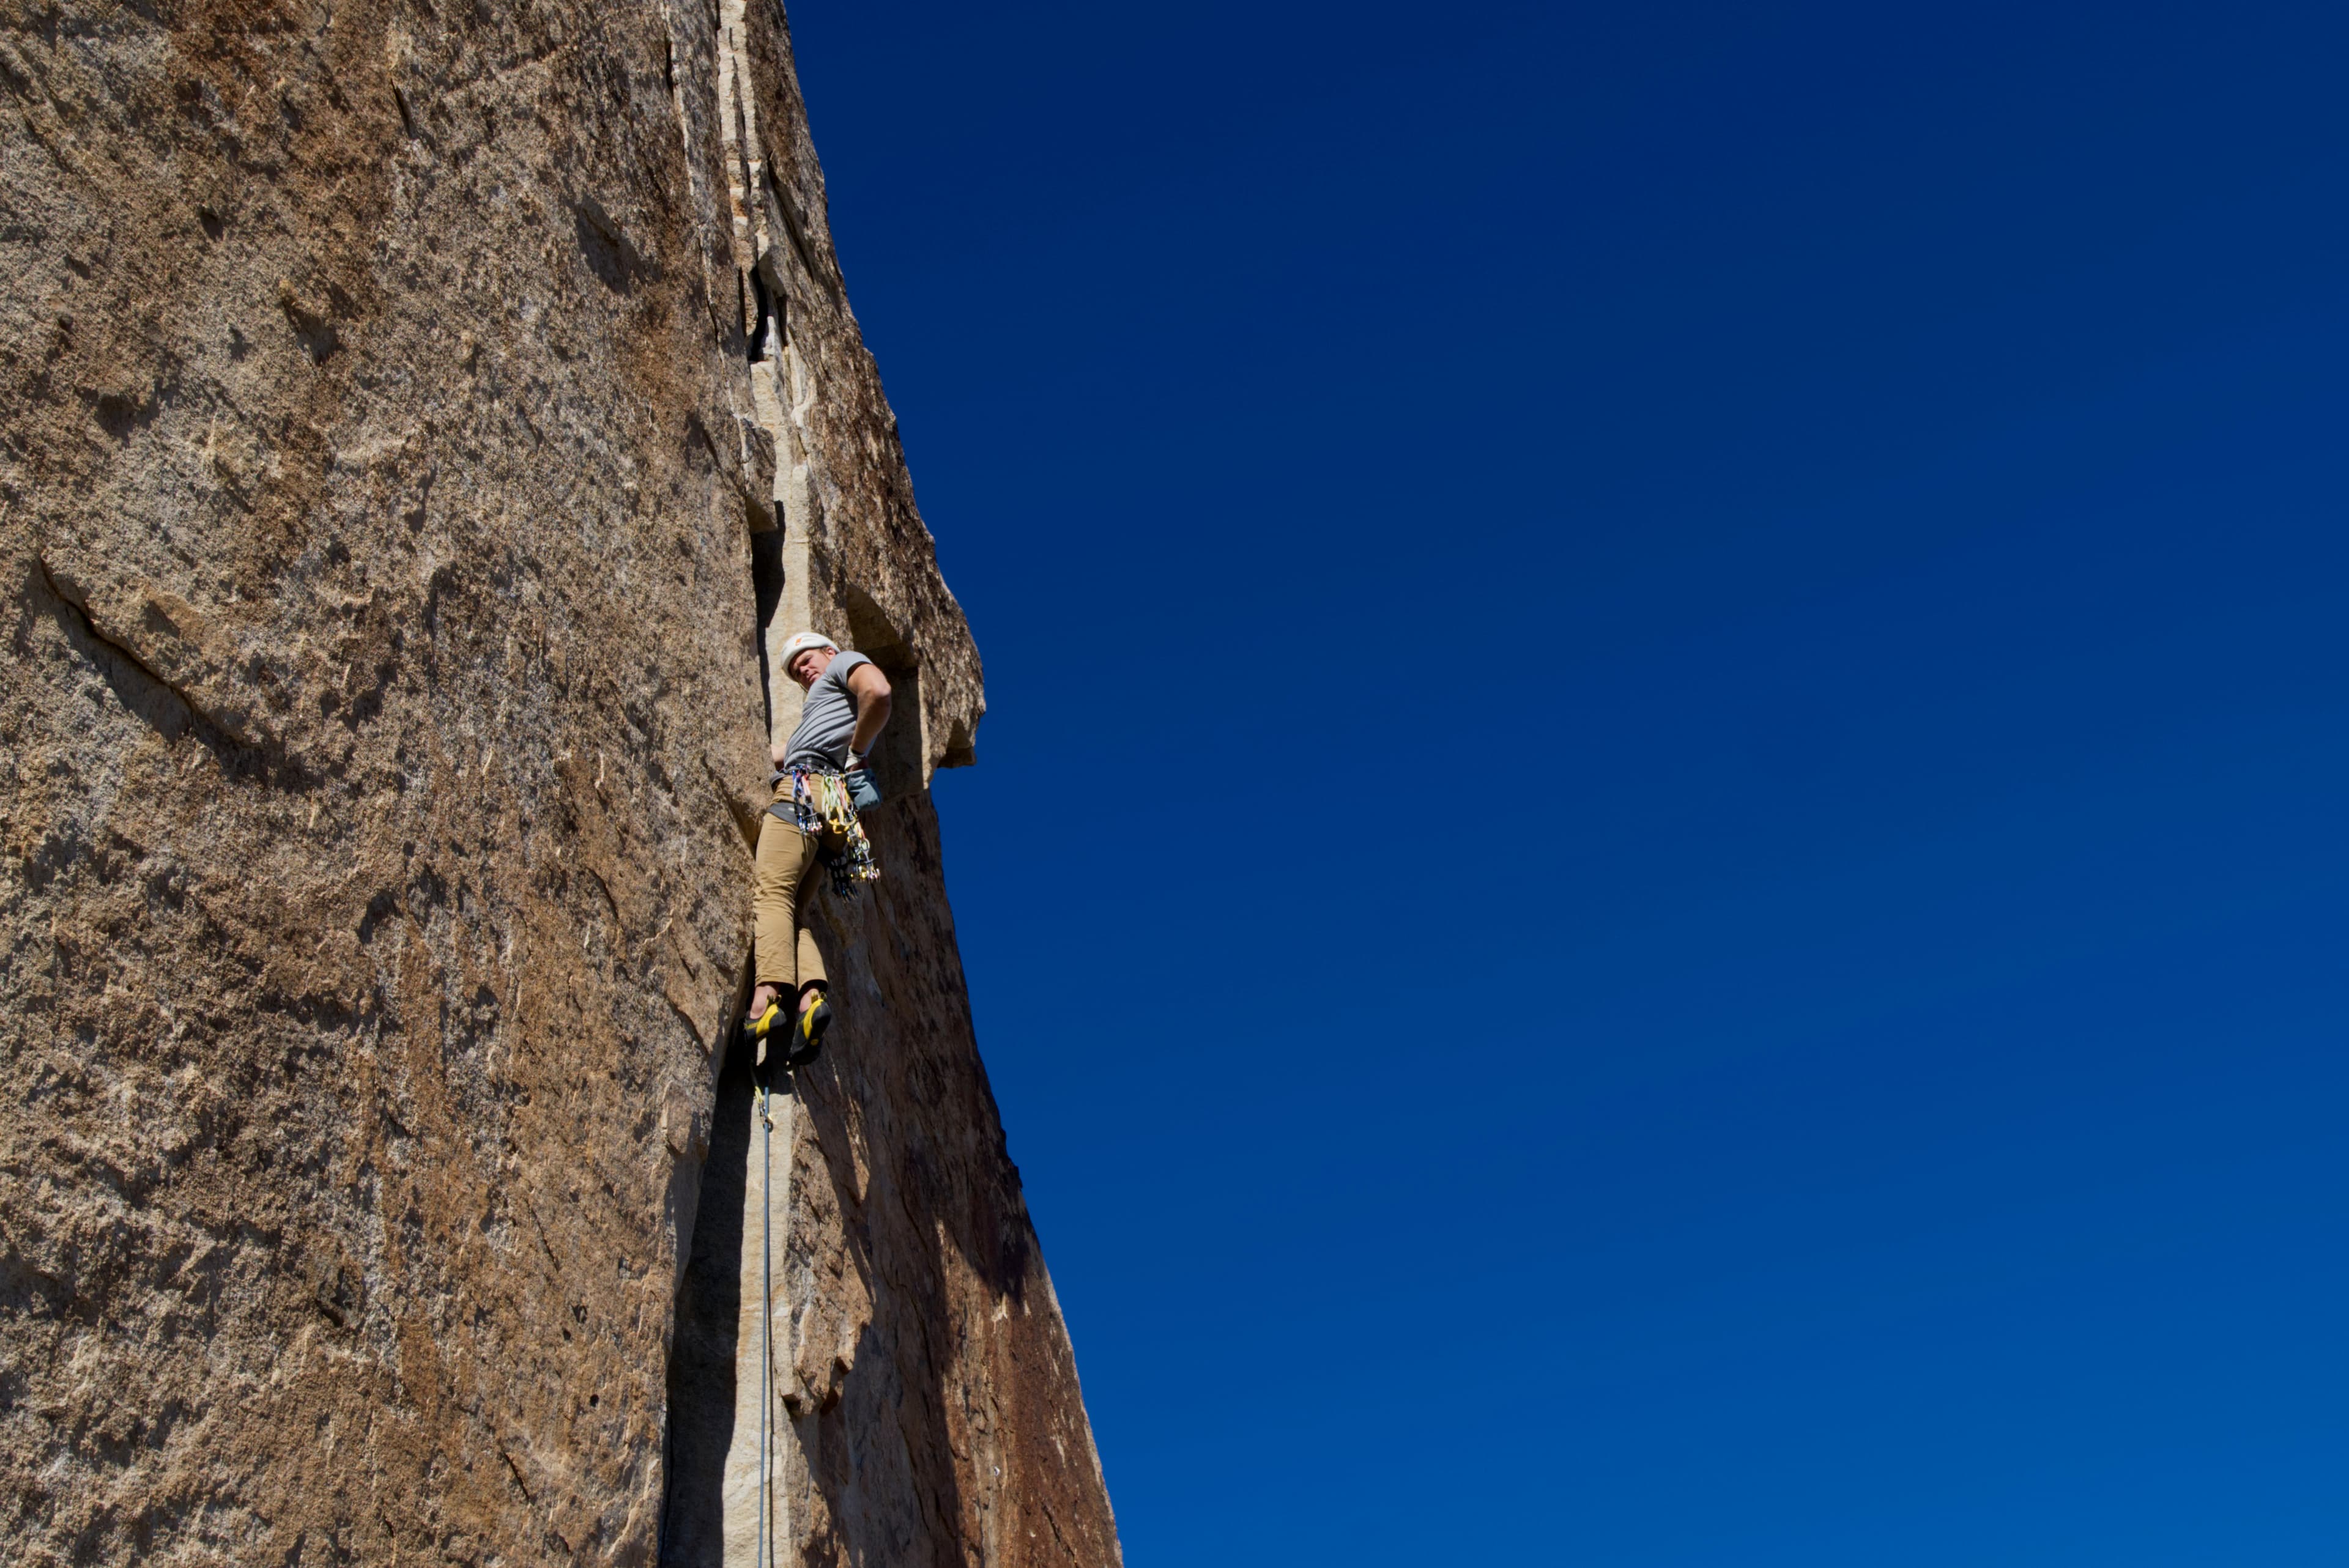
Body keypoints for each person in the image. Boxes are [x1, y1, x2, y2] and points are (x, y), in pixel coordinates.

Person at [743, 631, 892, 1070]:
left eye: (806, 661)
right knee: (794, 910)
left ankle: (766, 1000)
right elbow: (786, 753)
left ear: (829, 651)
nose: (803, 672)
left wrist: (857, 754)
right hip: (834, 812)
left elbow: (879, 692)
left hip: (806, 794)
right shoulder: (822, 706)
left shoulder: (846, 660)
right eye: (795, 672)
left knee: (771, 894)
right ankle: (811, 999)